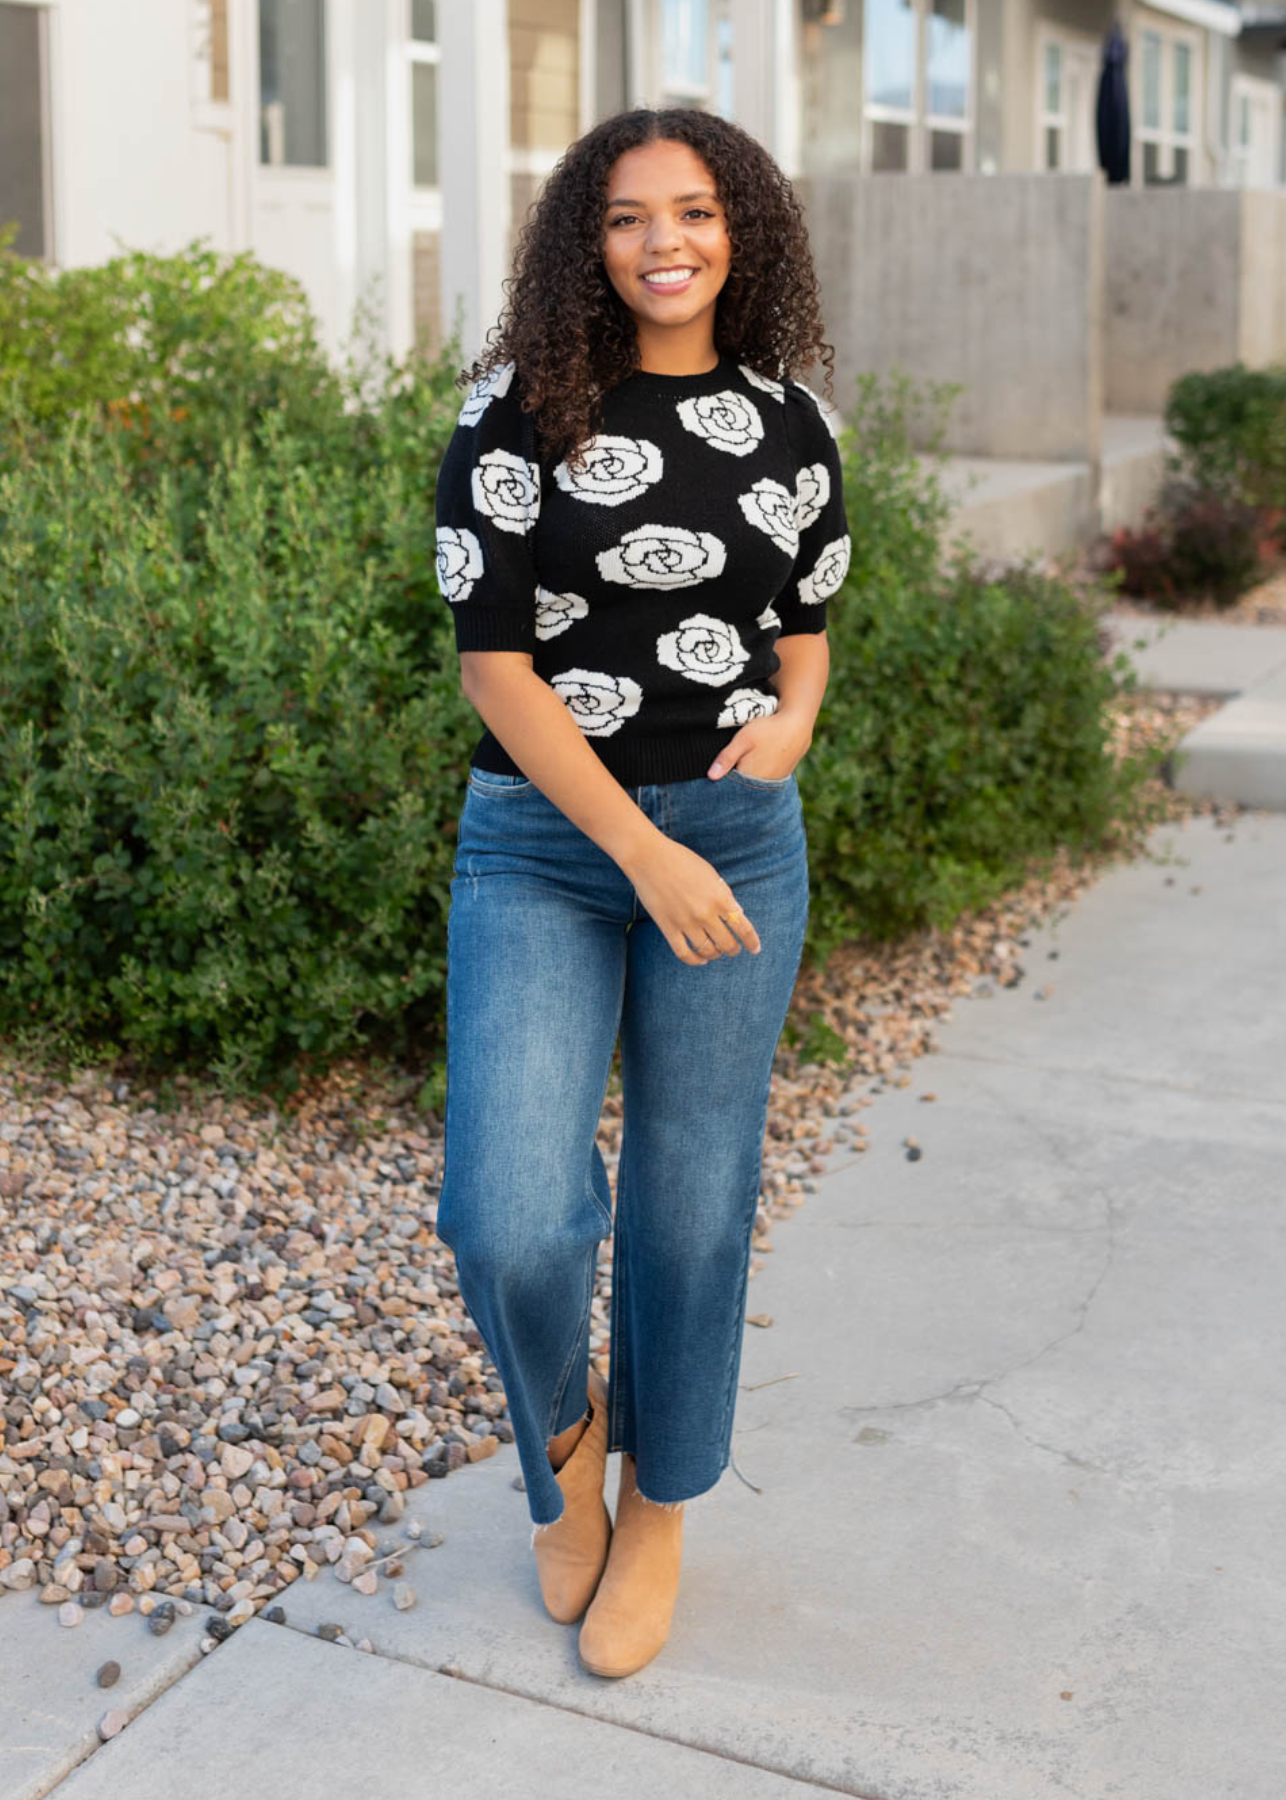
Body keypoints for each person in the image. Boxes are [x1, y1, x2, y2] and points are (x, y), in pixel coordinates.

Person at [432, 104, 851, 1680]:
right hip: (549, 847)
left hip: (737, 841)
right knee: (506, 1215)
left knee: (692, 1208)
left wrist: (792, 725)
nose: (662, 240)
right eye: (624, 216)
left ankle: (659, 1505)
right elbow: (497, 670)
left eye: (693, 210)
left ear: (742, 229)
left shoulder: (789, 425)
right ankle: (566, 1437)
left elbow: (800, 630)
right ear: (582, 245)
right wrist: (639, 848)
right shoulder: (515, 413)